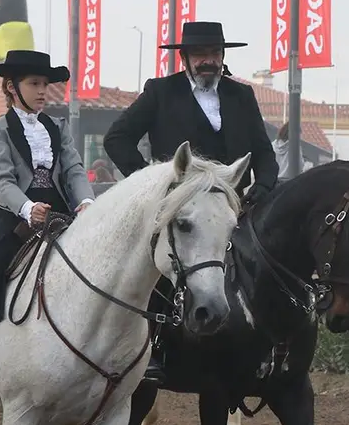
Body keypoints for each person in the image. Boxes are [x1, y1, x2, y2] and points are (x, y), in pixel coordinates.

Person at [102, 20, 278, 384]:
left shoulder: (241, 96)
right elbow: (117, 138)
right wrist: (155, 184)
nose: (208, 61)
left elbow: (264, 152)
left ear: (223, 56)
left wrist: (261, 188)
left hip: (230, 205)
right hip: (179, 207)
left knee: (265, 266)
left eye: (214, 54)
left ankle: (267, 346)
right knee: (165, 268)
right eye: (200, 55)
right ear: (184, 58)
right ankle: (151, 350)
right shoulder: (160, 92)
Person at [0, 48, 96, 368]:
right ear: (12, 87)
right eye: (35, 84)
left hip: (61, 210)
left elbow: (74, 170)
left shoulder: (58, 127)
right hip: (15, 213)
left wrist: (85, 202)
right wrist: (27, 208)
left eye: (44, 85)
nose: (42, 91)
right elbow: (2, 181)